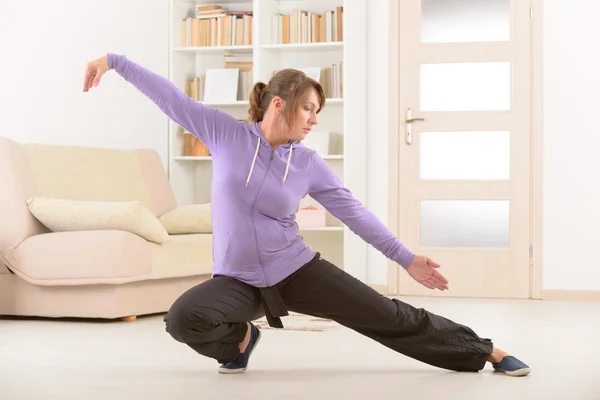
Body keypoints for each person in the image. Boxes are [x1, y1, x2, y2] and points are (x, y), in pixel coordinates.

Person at [83, 53, 531, 377]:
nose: (315, 118)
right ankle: (238, 344)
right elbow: (171, 99)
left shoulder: (309, 163)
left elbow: (354, 214)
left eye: (318, 110)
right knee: (182, 318)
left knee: (388, 317)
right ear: (278, 103)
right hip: (237, 280)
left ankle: (483, 350)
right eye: (308, 108)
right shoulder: (225, 135)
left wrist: (405, 258)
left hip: (296, 270)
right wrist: (116, 62)